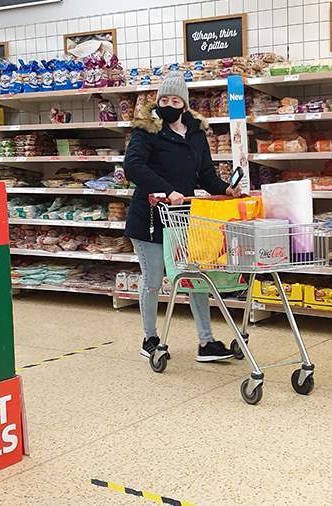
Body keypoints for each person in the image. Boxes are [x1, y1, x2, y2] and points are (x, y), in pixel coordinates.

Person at [124, 71, 240, 362]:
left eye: (175, 101)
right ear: (157, 102)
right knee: (153, 280)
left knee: (195, 278)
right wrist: (167, 190)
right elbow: (133, 167)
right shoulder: (146, 131)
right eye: (164, 100)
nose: (169, 105)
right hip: (150, 217)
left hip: (183, 219)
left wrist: (226, 189)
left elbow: (206, 174)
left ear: (185, 104)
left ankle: (206, 342)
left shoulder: (196, 134)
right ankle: (150, 338)